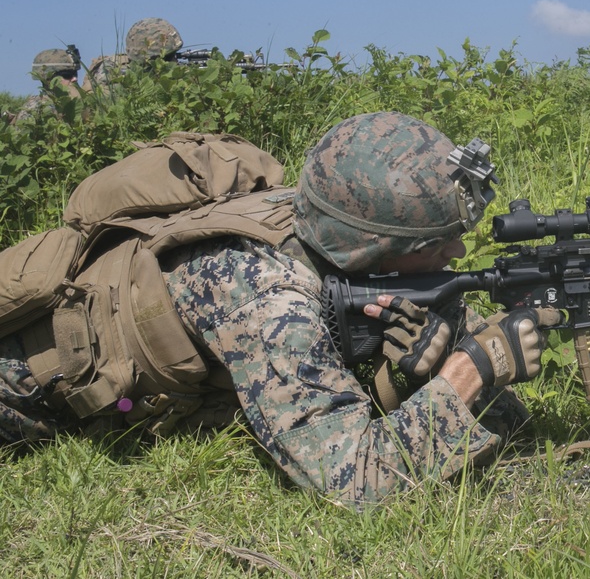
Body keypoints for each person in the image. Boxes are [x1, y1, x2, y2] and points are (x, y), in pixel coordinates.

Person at [0, 111, 561, 505]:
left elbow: (510, 421)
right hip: (19, 396)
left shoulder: (331, 224)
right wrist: (467, 376)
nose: (457, 253)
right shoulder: (269, 301)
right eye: (434, 247)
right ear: (374, 250)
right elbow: (354, 482)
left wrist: (411, 381)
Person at [11, 47, 82, 122]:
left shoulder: (70, 106)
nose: (75, 79)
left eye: (75, 74)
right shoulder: (37, 108)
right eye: (67, 75)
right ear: (49, 79)